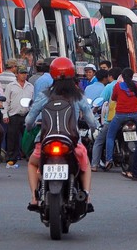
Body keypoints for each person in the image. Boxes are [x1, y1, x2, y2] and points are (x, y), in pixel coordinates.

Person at [24, 57, 97, 210]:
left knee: (32, 163)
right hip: (72, 142)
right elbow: (91, 120)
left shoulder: (45, 95)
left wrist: (30, 127)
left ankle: (33, 198)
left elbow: (30, 119)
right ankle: (87, 196)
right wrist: (93, 128)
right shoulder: (78, 96)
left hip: (46, 142)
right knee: (85, 166)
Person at [104, 67, 137, 171]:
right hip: (135, 115)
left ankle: (109, 160)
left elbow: (113, 98)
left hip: (120, 116)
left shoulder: (117, 86)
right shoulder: (136, 86)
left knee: (110, 136)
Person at [91, 67, 121, 171]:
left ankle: (95, 164)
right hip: (131, 116)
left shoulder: (110, 86)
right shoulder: (128, 84)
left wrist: (94, 110)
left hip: (112, 118)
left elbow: (100, 100)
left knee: (100, 140)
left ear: (111, 76)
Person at [3, 64, 34, 167]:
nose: (24, 75)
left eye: (25, 73)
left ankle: (29, 156)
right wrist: (5, 115)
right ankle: (11, 157)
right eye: (22, 73)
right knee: (12, 137)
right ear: (17, 74)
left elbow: (33, 102)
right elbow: (6, 102)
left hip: (26, 114)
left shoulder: (30, 87)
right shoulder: (11, 86)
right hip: (14, 114)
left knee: (28, 137)